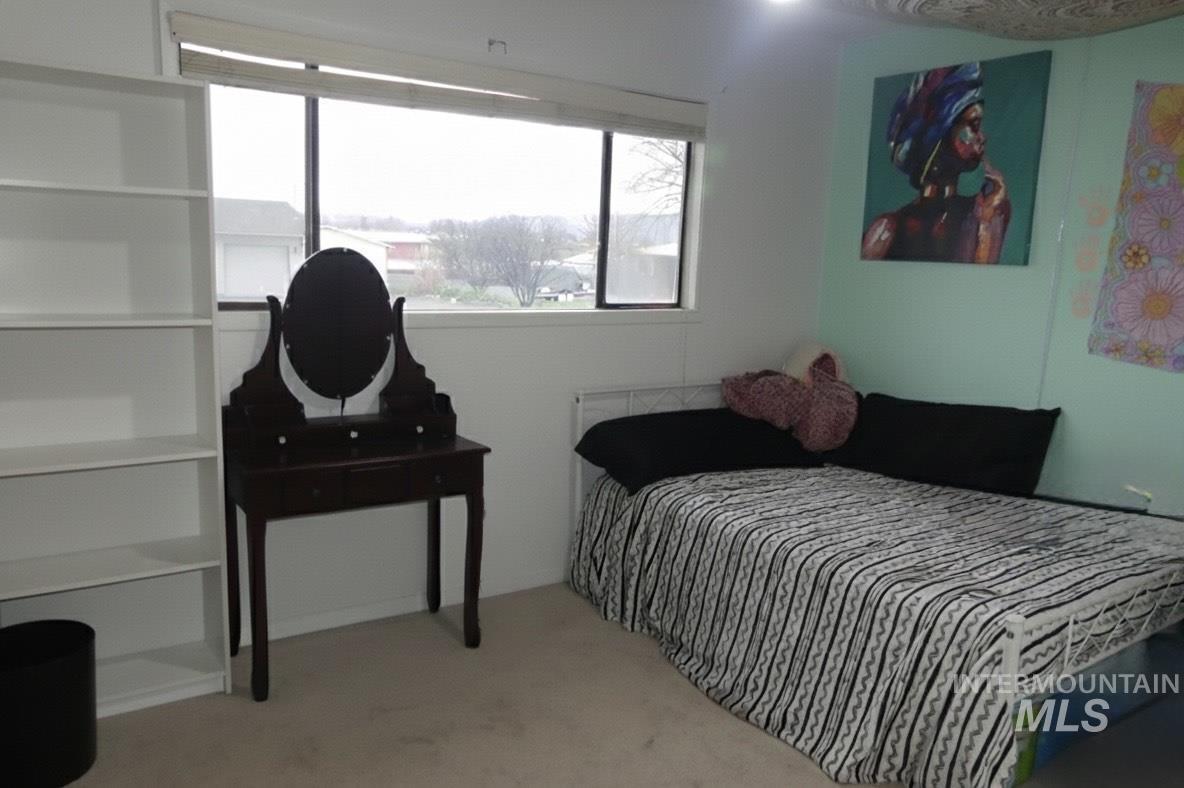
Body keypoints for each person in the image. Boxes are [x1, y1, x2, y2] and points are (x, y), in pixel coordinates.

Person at [862, 61, 1010, 263]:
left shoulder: (987, 211)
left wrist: (985, 223)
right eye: (974, 125)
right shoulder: (887, 229)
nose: (982, 137)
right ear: (939, 135)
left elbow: (980, 285)